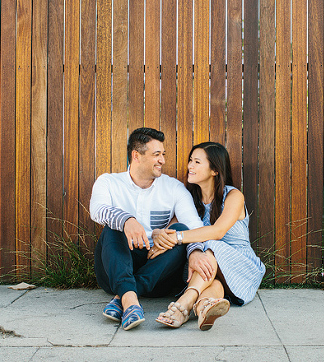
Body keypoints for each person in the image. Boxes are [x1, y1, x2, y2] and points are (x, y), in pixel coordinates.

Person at [90, 127, 205, 330]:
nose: (162, 160)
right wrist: (127, 220)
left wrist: (195, 251)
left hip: (157, 273)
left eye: (163, 154)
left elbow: (194, 226)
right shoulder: (108, 182)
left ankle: (127, 298)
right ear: (136, 156)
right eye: (156, 154)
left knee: (179, 230)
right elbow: (97, 211)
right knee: (114, 225)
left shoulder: (173, 187)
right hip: (114, 268)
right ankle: (129, 296)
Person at [154, 142, 267, 330]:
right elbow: (173, 228)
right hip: (207, 269)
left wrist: (179, 238)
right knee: (213, 281)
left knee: (213, 246)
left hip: (240, 266)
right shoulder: (190, 200)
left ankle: (184, 304)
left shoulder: (233, 196)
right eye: (190, 161)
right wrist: (160, 236)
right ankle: (204, 306)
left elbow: (218, 232)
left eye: (197, 162)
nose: (190, 166)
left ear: (215, 170)